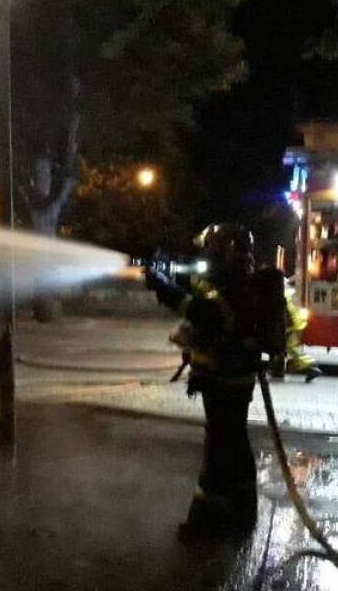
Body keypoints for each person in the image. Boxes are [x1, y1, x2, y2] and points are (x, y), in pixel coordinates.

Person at [146, 224, 285, 540]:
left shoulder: (234, 292)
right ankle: (242, 510)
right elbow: (202, 310)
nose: (209, 257)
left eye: (213, 250)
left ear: (225, 253)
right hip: (232, 380)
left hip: (224, 381)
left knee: (219, 449)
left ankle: (206, 523)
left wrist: (161, 285)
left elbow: (199, 311)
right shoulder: (241, 286)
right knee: (234, 444)